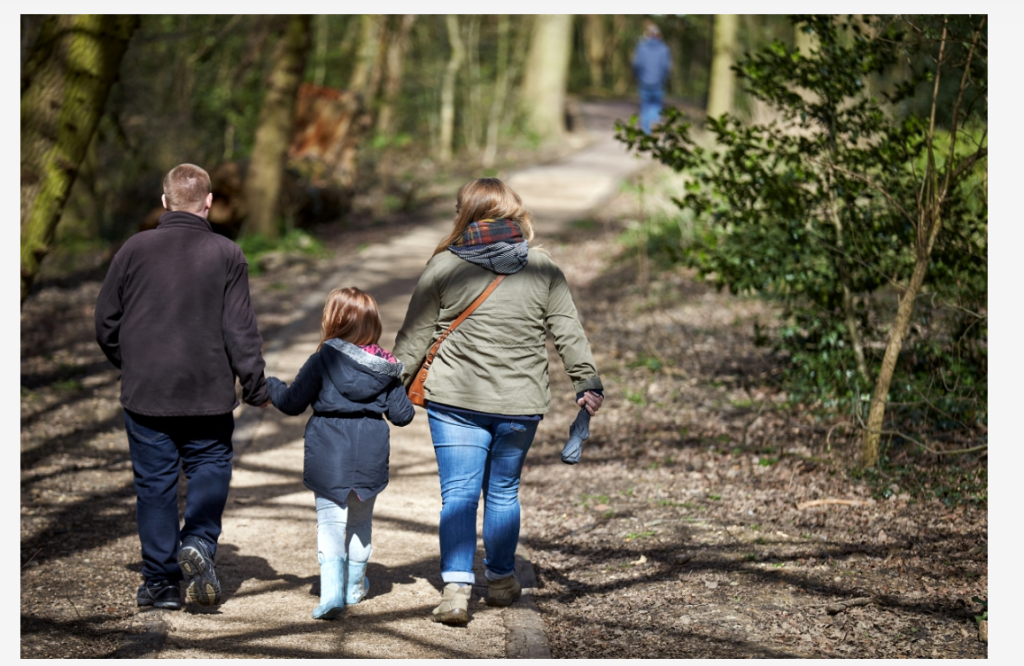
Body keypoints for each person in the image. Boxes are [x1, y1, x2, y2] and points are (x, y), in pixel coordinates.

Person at [393, 178, 604, 625]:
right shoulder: (542, 266)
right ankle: (503, 580)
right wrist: (586, 380)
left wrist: (386, 386)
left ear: (465, 215)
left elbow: (413, 340)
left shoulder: (444, 265)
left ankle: (455, 589)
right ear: (515, 213)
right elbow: (568, 330)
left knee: (458, 494)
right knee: (503, 492)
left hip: (455, 400)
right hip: (519, 401)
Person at [95, 163, 270, 610]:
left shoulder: (133, 249)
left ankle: (160, 584)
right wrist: (254, 384)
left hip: (146, 392)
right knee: (211, 465)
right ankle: (198, 539)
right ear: (208, 203)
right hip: (207, 393)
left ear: (164, 201)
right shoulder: (227, 253)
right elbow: (240, 331)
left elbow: (105, 323)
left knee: (154, 486)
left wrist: (132, 362)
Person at [267, 287, 415, 620]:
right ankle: (353, 588)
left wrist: (272, 386)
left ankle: (332, 593)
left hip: (328, 449)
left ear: (333, 320)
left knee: (330, 523)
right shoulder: (387, 367)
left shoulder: (324, 358)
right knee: (361, 522)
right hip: (370, 451)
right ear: (373, 323)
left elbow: (292, 403)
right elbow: (403, 416)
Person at [632, 22, 672, 134]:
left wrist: (638, 77)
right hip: (658, 83)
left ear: (646, 35)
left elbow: (636, 64)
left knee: (645, 106)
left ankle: (646, 132)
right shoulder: (664, 49)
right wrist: (663, 79)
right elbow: (666, 67)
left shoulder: (641, 48)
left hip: (644, 82)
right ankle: (654, 127)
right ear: (659, 35)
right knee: (656, 106)